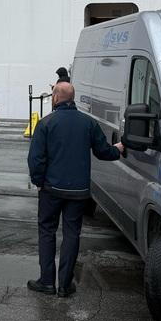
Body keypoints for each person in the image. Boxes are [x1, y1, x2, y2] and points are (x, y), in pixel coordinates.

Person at [26, 82, 124, 297]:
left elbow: (36, 159)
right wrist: (117, 150)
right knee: (71, 235)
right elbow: (102, 151)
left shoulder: (45, 124)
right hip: (78, 192)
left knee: (47, 232)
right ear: (73, 98)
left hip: (51, 189)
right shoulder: (87, 123)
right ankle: (65, 284)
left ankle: (47, 282)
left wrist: (39, 181)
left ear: (55, 97)